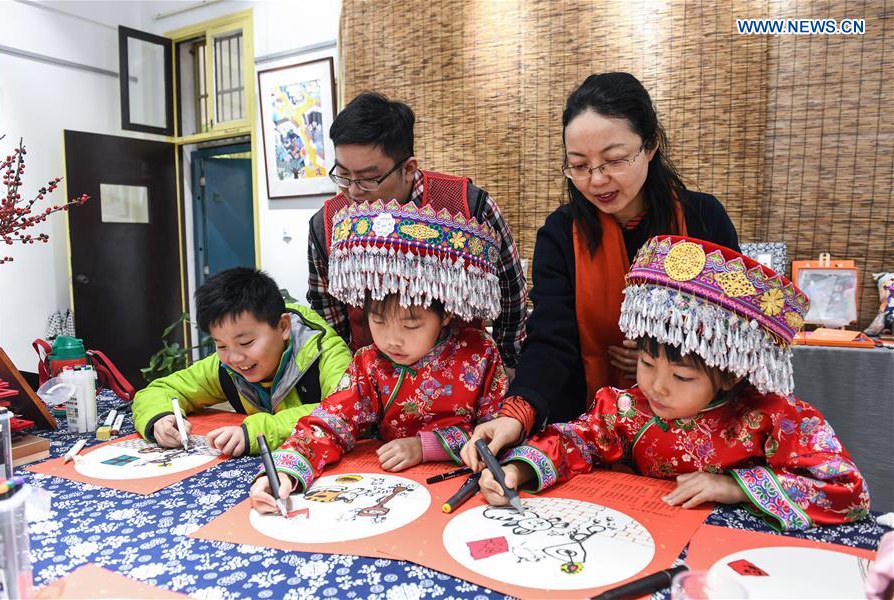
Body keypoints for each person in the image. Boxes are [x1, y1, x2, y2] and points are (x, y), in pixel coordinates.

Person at [464, 236, 870, 531]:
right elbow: (576, 440)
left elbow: (848, 491)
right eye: (645, 362)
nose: (656, 387)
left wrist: (735, 488)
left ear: (729, 371)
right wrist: (518, 469)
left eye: (681, 376)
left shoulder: (772, 417)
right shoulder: (626, 408)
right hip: (641, 536)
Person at [489, 72, 740, 440]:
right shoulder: (560, 234)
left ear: (651, 145)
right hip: (587, 429)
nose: (597, 179)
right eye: (579, 165)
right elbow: (550, 338)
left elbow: (735, 333)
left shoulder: (703, 220)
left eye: (615, 160)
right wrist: (517, 412)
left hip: (695, 432)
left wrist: (661, 353)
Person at [251, 200, 509, 510]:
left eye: (411, 324)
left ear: (446, 315)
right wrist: (285, 471)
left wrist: (424, 447)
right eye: (378, 321)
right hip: (389, 486)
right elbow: (331, 421)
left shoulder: (478, 353)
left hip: (469, 486)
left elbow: (499, 430)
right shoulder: (369, 362)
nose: (391, 339)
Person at [307, 91, 527, 372]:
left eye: (368, 179)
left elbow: (511, 293)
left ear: (408, 168)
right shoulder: (327, 225)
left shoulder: (467, 206)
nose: (352, 191)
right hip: (374, 387)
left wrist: (507, 366)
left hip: (465, 383)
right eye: (343, 175)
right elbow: (328, 322)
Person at [132, 268, 351, 456]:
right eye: (221, 345)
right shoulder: (224, 367)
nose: (234, 358)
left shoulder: (324, 353)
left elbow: (344, 411)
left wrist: (256, 432)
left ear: (283, 327)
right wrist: (160, 418)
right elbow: (161, 390)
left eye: (245, 342)